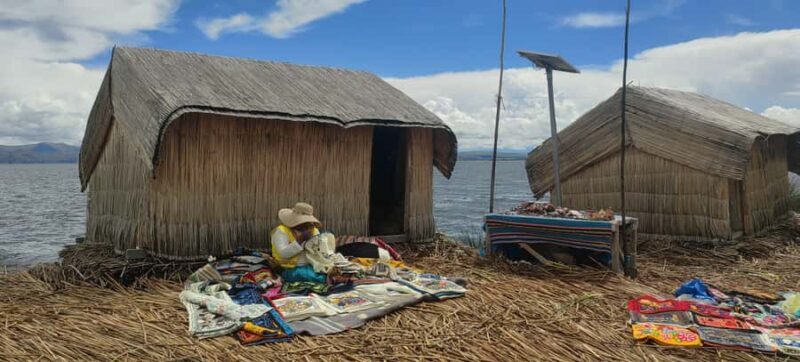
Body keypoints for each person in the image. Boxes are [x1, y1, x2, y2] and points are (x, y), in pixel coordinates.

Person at [271, 202, 327, 283]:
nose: (305, 225)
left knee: (328, 274)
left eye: (307, 223)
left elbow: (320, 252)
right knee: (306, 276)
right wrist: (299, 241)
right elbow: (283, 254)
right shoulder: (281, 231)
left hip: (311, 266)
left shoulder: (314, 231)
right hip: (288, 268)